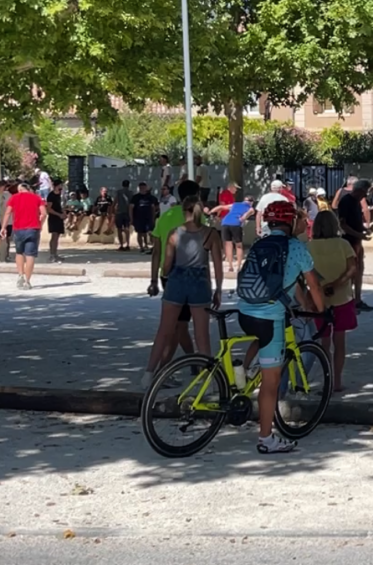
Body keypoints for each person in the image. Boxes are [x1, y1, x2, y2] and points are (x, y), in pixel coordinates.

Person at [236, 199, 326, 454]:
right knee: (270, 383)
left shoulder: (260, 244)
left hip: (245, 311)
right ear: (289, 222)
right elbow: (313, 285)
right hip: (270, 316)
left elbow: (286, 282)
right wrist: (320, 311)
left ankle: (241, 374)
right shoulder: (295, 248)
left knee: (259, 340)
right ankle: (266, 439)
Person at [147, 194, 223, 380]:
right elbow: (217, 265)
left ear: (184, 211)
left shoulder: (174, 233)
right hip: (199, 282)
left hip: (177, 280)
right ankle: (210, 377)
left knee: (164, 330)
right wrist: (218, 289)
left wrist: (164, 276)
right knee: (201, 334)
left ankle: (149, 373)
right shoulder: (210, 233)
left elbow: (167, 263)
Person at [309, 209, 358, 392]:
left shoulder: (310, 246)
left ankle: (326, 380)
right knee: (340, 342)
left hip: (319, 299)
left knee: (324, 343)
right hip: (342, 297)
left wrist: (321, 287)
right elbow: (352, 268)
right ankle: (337, 381)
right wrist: (337, 284)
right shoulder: (344, 244)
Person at [337, 178, 373, 311]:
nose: (365, 195)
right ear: (359, 190)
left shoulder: (356, 203)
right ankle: (350, 300)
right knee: (351, 272)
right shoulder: (346, 201)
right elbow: (343, 224)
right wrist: (359, 234)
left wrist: (364, 229)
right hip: (349, 242)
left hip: (357, 241)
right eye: (365, 192)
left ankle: (357, 300)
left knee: (359, 271)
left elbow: (354, 222)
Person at [1, 182, 46, 290]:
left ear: (20, 189)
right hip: (33, 229)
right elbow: (43, 214)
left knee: (19, 252)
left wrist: (3, 227)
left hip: (18, 229)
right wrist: (40, 224)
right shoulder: (37, 198)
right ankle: (27, 281)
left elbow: (7, 213)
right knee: (30, 255)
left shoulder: (14, 198)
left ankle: (20, 274)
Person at [216, 189, 253, 274]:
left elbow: (222, 206)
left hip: (225, 223)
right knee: (239, 245)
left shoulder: (235, 204)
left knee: (228, 245)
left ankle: (230, 266)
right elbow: (249, 213)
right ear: (251, 202)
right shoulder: (250, 207)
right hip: (236, 224)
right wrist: (243, 218)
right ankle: (239, 266)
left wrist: (213, 213)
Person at [131, 181, 159, 254]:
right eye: (141, 187)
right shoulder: (135, 197)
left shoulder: (151, 197)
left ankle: (154, 247)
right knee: (140, 233)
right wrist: (131, 218)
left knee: (151, 233)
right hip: (138, 218)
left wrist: (153, 217)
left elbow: (155, 207)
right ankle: (141, 247)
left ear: (146, 188)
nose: (142, 189)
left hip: (149, 218)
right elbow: (130, 207)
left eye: (144, 187)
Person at [46, 179, 66, 263]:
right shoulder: (51, 195)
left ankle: (55, 254)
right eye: (61, 185)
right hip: (54, 217)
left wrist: (64, 212)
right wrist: (58, 214)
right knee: (54, 236)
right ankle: (51, 255)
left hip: (60, 217)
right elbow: (49, 209)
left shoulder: (60, 195)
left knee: (57, 237)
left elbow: (61, 206)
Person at [113, 179, 133, 251]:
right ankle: (127, 244)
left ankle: (121, 244)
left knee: (119, 229)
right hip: (127, 212)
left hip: (119, 212)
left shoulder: (119, 192)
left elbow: (115, 201)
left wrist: (112, 210)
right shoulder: (131, 193)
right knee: (127, 229)